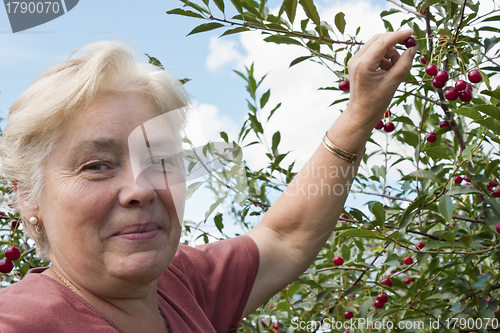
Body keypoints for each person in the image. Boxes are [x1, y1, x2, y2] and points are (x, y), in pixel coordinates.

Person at [0, 30, 416, 332]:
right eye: (96, 165)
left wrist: (360, 113)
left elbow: (286, 237)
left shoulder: (179, 286)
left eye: (159, 157)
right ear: (27, 196)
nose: (142, 188)